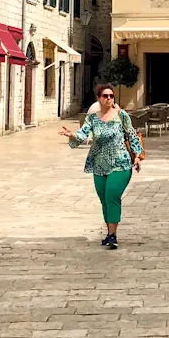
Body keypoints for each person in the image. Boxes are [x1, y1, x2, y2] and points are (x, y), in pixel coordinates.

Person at [61, 83, 144, 249]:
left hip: (120, 163)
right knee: (104, 199)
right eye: (105, 96)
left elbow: (133, 135)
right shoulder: (92, 118)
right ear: (99, 98)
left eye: (111, 96)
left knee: (112, 196)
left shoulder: (121, 115)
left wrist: (137, 156)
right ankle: (109, 233)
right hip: (99, 164)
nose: (109, 99)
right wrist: (72, 135)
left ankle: (113, 235)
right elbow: (83, 134)